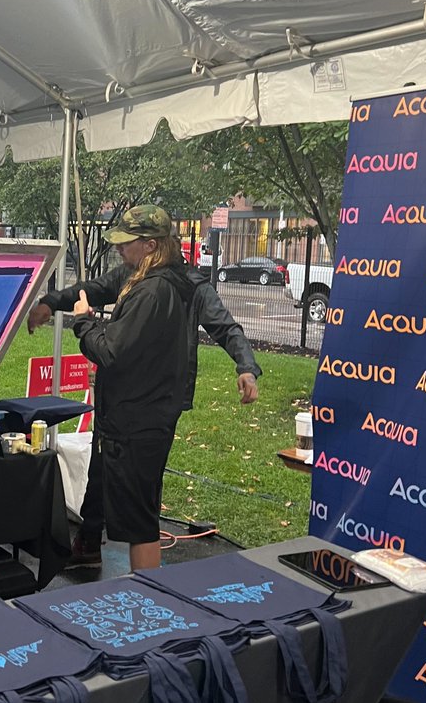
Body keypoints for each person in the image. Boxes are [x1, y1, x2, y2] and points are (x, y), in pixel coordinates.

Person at [28, 205, 261, 572]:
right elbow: (94, 288)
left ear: (150, 245)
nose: (118, 249)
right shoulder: (134, 273)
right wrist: (51, 301)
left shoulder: (183, 286)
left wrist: (246, 367)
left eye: (126, 242)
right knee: (101, 474)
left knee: (139, 513)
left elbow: (225, 327)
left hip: (147, 409)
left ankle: (148, 594)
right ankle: (88, 544)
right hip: (123, 409)